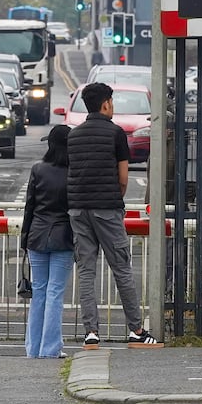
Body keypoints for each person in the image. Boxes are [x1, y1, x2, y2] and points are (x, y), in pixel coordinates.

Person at [67, 82, 158, 349]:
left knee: (86, 270)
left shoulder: (73, 136)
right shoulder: (116, 134)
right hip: (107, 208)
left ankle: (91, 333)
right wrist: (116, 197)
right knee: (121, 268)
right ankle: (137, 330)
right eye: (112, 102)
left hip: (78, 208)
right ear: (106, 103)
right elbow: (122, 178)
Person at [20, 124, 73, 359]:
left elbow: (29, 206)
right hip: (64, 237)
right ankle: (50, 349)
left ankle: (33, 349)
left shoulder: (38, 169)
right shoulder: (74, 172)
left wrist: (24, 239)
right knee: (55, 293)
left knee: (39, 292)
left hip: (37, 236)